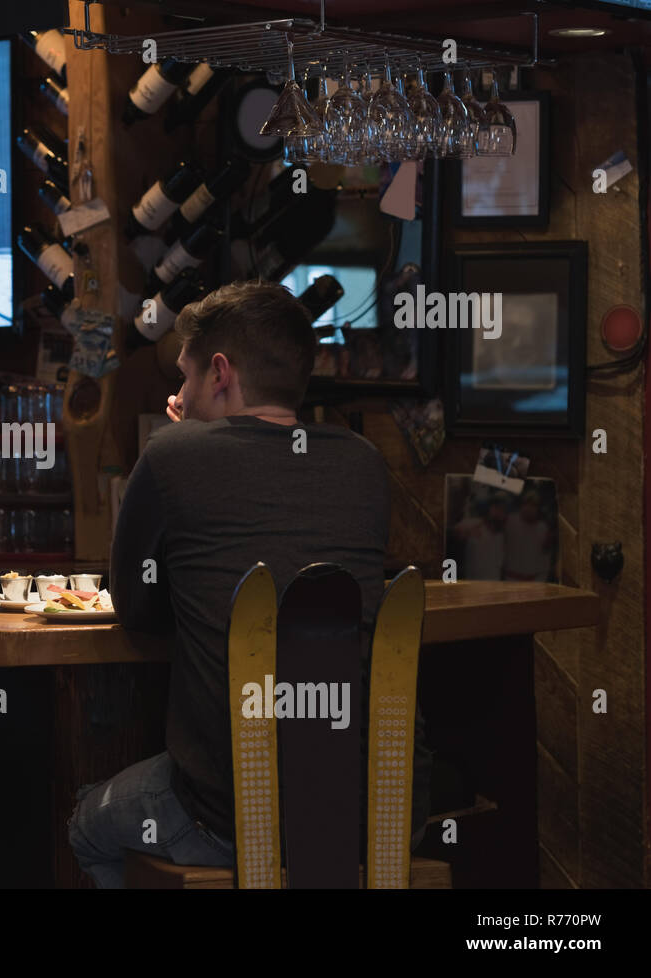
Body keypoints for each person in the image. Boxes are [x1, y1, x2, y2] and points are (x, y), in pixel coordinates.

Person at [67, 280, 432, 888]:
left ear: (219, 374)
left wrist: (178, 441)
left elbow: (135, 610)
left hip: (236, 819)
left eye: (183, 378)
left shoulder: (172, 455)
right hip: (383, 815)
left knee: (87, 820)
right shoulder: (364, 463)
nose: (178, 394)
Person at [453, 491, 508, 580]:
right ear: (489, 508)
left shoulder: (503, 535)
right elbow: (455, 532)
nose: (498, 512)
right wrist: (467, 533)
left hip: (494, 585)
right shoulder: (474, 524)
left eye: (502, 509)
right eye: (496, 507)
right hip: (472, 585)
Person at [503, 490, 554, 581]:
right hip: (511, 579)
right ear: (522, 505)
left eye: (533, 505)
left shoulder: (543, 528)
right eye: (527, 504)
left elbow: (546, 558)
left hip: (535, 581)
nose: (529, 508)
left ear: (538, 508)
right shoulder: (510, 521)